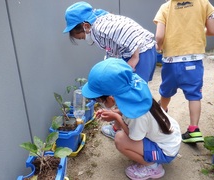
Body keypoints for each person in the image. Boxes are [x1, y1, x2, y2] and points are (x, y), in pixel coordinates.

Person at [82, 58, 182, 179]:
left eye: (97, 99)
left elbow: (134, 137)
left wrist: (117, 118)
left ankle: (153, 167)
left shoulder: (137, 116)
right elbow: (128, 112)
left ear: (111, 99)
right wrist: (115, 113)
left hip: (165, 150)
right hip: (169, 135)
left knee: (120, 139)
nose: (97, 101)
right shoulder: (135, 90)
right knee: (121, 132)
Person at [153, 0, 214, 143]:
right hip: (194, 59)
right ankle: (194, 130)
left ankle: (161, 114)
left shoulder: (165, 7)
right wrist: (200, 31)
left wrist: (160, 47)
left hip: (171, 61)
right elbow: (212, 29)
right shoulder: (203, 3)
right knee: (194, 94)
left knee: (165, 91)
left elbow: (159, 36)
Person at [63, 1, 157, 83]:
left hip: (141, 51)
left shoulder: (100, 27)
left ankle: (144, 103)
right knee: (128, 85)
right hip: (132, 51)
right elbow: (111, 46)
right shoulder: (99, 24)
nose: (84, 40)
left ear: (86, 26)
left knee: (136, 89)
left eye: (82, 37)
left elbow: (127, 31)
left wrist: (135, 57)